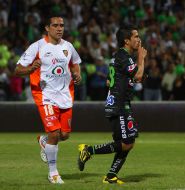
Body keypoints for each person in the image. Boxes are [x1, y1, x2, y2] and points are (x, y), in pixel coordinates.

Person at [14, 14, 82, 184]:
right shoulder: (37, 46)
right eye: (55, 25)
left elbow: (75, 63)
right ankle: (53, 173)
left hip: (65, 95)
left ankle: (45, 142)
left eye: (62, 25)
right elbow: (17, 70)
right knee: (54, 133)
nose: (60, 28)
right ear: (47, 28)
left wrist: (77, 74)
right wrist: (30, 69)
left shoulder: (68, 46)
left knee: (64, 135)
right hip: (46, 96)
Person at [77, 24, 147, 184]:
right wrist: (141, 60)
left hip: (118, 102)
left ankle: (111, 175)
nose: (139, 39)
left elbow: (115, 80)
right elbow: (137, 75)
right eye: (135, 36)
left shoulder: (119, 56)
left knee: (127, 143)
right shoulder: (124, 56)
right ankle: (88, 150)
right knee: (127, 142)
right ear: (126, 40)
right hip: (119, 105)